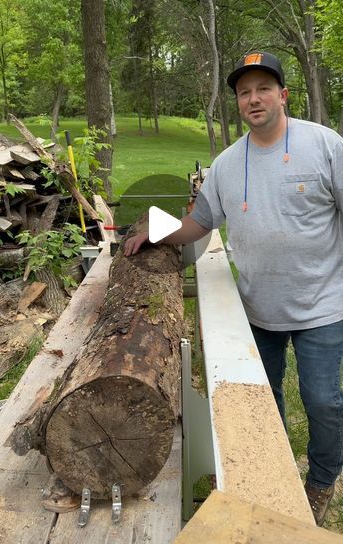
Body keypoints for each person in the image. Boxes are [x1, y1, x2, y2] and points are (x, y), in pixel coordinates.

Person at [124, 51, 343, 526]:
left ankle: (323, 478)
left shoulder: (326, 146)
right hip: (258, 307)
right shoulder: (226, 165)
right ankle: (277, 471)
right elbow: (200, 223)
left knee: (323, 400)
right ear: (238, 104)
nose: (253, 98)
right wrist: (156, 232)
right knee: (263, 404)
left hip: (322, 305)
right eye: (244, 92)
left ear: (283, 95)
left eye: (263, 88)